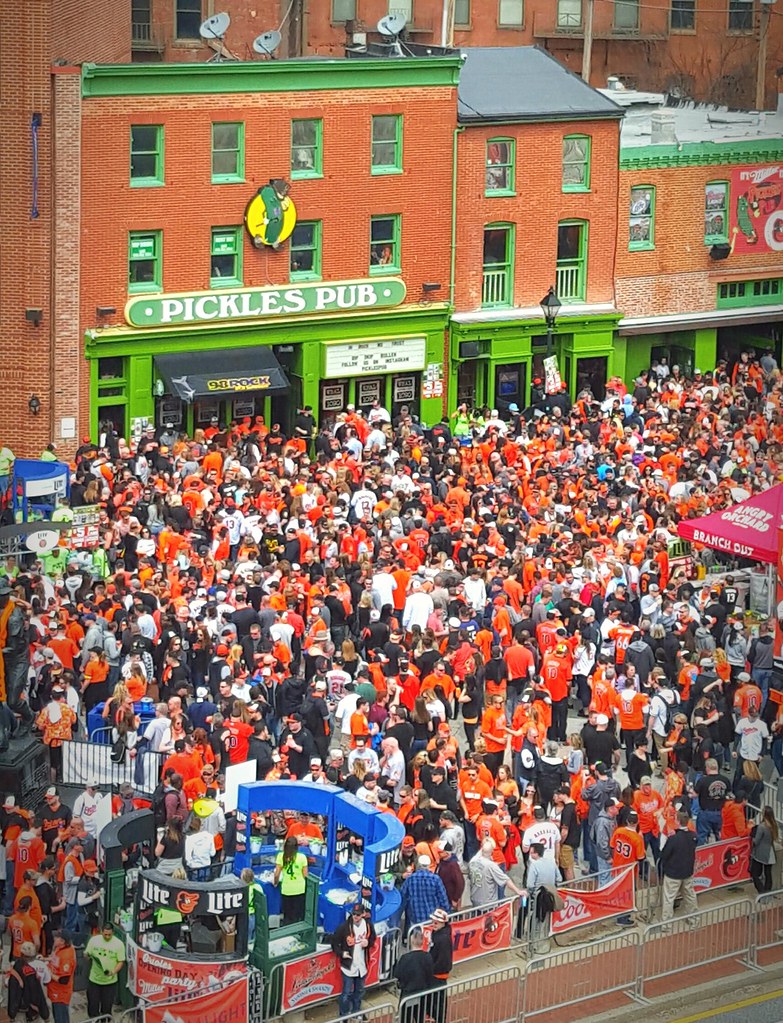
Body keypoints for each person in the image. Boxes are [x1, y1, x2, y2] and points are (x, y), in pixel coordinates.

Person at [331, 902, 376, 1019]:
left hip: (362, 966)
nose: (355, 916)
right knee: (346, 994)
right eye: (354, 914)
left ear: (363, 914)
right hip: (348, 967)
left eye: (358, 914)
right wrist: (342, 953)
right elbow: (334, 943)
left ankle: (356, 1013)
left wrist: (368, 943)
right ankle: (344, 1016)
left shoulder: (368, 925)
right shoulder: (344, 927)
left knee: (359, 992)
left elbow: (373, 939)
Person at [659, 811, 698, 925]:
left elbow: (664, 854)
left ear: (677, 822)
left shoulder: (673, 839)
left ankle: (666, 923)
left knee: (669, 898)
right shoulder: (693, 836)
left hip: (673, 873)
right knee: (690, 896)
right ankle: (693, 919)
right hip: (688, 871)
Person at [393, 928, 435, 1023]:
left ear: (411, 941)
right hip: (422, 993)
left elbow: (397, 974)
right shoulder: (427, 956)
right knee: (420, 1018)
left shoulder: (405, 958)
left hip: (408, 994)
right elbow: (430, 974)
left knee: (405, 1019)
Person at [84, 922, 125, 1018]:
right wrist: (86, 956)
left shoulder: (119, 944)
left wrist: (113, 972)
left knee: (106, 1008)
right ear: (101, 932)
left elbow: (121, 961)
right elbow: (87, 955)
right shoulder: (94, 940)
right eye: (105, 934)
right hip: (94, 980)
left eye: (109, 935)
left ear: (113, 933)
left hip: (110, 982)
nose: (107, 937)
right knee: (92, 1006)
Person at [401, 855, 450, 929]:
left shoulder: (410, 879)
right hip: (433, 918)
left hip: (416, 918)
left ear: (418, 864)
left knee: (417, 935)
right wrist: (446, 912)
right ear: (429, 865)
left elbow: (402, 895)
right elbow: (443, 899)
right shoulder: (435, 879)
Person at [273, 835, 308, 925]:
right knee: (298, 916)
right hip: (300, 890)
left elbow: (276, 874)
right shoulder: (302, 857)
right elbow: (305, 875)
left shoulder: (281, 856)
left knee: (288, 916)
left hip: (287, 890)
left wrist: (275, 883)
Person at [427, 907, 453, 1023]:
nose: (433, 924)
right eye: (433, 922)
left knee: (438, 1001)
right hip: (434, 973)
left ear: (443, 923)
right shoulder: (437, 933)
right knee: (432, 999)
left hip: (438, 975)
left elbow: (443, 960)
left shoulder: (443, 939)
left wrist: (431, 970)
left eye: (436, 922)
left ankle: (439, 1019)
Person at [47, 932, 76, 1023]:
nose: (54, 938)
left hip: (60, 994)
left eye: (57, 937)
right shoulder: (60, 948)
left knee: (60, 1019)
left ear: (62, 941)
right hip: (54, 991)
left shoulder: (66, 956)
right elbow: (56, 959)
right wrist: (45, 959)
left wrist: (49, 974)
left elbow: (64, 980)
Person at [750, 805, 778, 894]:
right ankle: (767, 892)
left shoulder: (762, 827)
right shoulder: (774, 825)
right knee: (768, 874)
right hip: (770, 853)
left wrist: (751, 834)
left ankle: (761, 891)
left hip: (760, 853)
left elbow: (756, 841)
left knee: (754, 874)